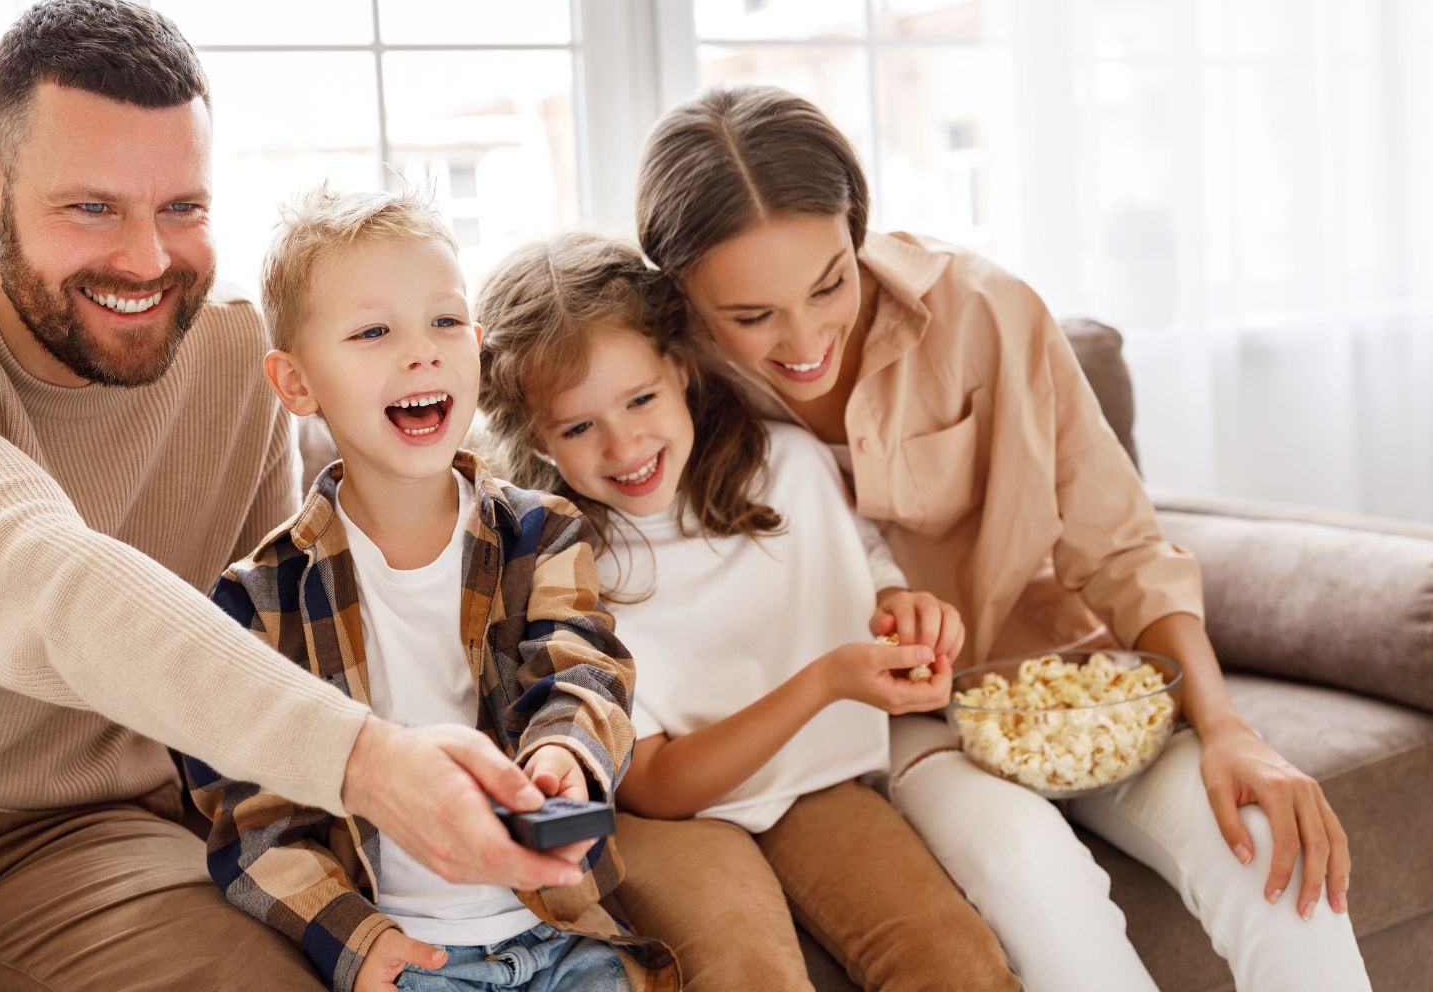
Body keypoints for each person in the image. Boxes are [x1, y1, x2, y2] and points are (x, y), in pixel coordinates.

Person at [0, 0, 573, 990]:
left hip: (80, 846)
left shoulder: (232, 362)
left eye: (183, 208)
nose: (145, 260)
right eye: (92, 208)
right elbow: (31, 573)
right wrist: (371, 762)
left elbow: (266, 645)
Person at [629, 83, 1372, 992]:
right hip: (894, 737)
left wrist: (1226, 726)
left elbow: (1124, 551)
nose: (806, 337)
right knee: (1032, 873)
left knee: (1265, 847)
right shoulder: (658, 400)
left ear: (857, 228)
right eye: (751, 317)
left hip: (1057, 683)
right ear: (681, 299)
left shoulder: (986, 312)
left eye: (831, 283)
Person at [474, 232, 1016, 992]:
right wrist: (826, 682)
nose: (625, 442)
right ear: (536, 435)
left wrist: (904, 610)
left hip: (819, 785)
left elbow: (865, 572)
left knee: (957, 966)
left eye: (640, 399)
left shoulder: (790, 468)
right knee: (746, 975)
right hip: (669, 821)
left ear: (681, 369)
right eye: (578, 426)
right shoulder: (557, 562)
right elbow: (655, 785)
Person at [188, 189, 675, 992]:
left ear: (477, 350)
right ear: (297, 383)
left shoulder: (541, 536)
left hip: (557, 932)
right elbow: (251, 819)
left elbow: (583, 668)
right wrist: (355, 939)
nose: (422, 353)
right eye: (375, 332)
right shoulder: (257, 601)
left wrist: (564, 753)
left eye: (446, 323)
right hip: (411, 956)